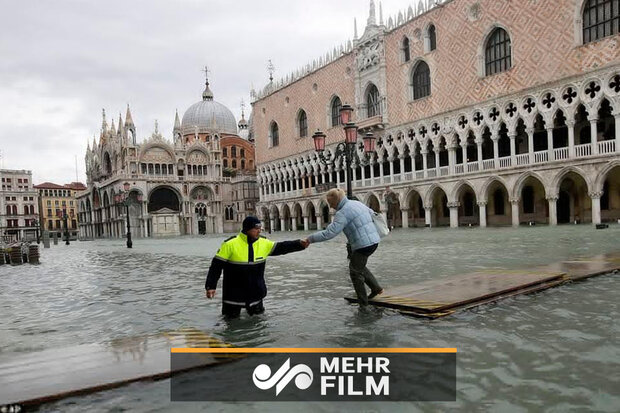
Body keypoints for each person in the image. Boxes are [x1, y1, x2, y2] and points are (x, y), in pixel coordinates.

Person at [205, 216, 309, 317]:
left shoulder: (264, 243)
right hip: (233, 296)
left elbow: (282, 247)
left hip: (256, 295)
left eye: (260, 228)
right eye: (256, 229)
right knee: (230, 325)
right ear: (247, 229)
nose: (259, 231)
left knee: (259, 324)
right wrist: (211, 286)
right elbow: (216, 267)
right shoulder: (229, 244)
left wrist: (299, 244)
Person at [304, 188, 383, 305]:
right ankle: (376, 288)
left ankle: (363, 304)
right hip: (374, 241)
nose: (331, 207)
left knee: (355, 272)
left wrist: (309, 239)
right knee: (358, 265)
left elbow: (329, 233)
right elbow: (372, 214)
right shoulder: (356, 203)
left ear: (336, 201)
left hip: (363, 245)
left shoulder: (342, 213)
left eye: (331, 204)